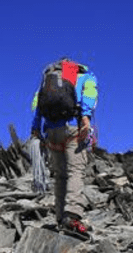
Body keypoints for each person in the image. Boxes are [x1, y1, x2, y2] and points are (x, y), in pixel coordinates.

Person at [30, 58, 98, 238]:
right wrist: (86, 117)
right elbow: (90, 95)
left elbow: (37, 104)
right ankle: (72, 216)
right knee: (76, 171)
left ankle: (60, 218)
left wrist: (35, 128)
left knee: (60, 175)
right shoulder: (85, 76)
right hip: (73, 128)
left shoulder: (47, 80)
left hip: (51, 131)